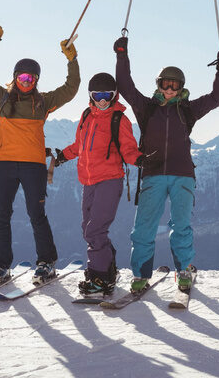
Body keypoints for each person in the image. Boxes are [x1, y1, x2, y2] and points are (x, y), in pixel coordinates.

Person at [113, 35, 219, 293]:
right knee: (144, 228)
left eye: (174, 86)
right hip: (153, 174)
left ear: (181, 88)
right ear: (159, 85)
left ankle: (184, 271)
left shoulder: (187, 110)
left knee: (181, 226)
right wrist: (122, 55)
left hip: (182, 175)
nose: (169, 89)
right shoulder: (146, 108)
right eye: (166, 84)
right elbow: (125, 85)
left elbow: (217, 98)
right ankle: (140, 275)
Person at [0, 25, 80, 286]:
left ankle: (46, 262)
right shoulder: (1, 98)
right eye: (22, 78)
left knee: (36, 215)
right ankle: (0, 266)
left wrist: (72, 59)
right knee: (2, 215)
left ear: (36, 81)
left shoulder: (43, 103)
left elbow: (71, 87)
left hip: (33, 167)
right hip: (6, 165)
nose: (26, 82)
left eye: (31, 79)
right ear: (15, 78)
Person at [55, 73, 143, 296]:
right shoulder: (86, 116)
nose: (102, 101)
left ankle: (100, 276)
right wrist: (63, 156)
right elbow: (80, 145)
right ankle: (107, 268)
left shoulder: (119, 120)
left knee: (96, 229)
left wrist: (141, 159)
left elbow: (128, 149)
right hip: (88, 181)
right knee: (88, 229)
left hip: (110, 180)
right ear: (91, 96)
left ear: (114, 96)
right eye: (98, 96)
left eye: (107, 95)